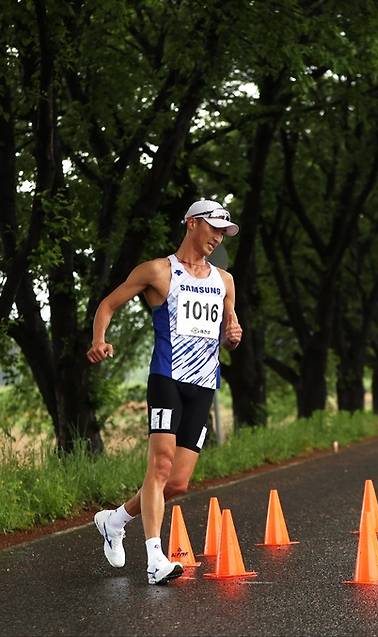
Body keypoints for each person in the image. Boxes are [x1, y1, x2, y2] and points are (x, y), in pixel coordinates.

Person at [86, 199, 242, 585]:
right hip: (167, 379)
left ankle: (115, 520)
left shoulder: (225, 281)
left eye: (224, 231)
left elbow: (229, 330)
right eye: (214, 227)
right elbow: (108, 304)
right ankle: (155, 559)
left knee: (178, 482)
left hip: (204, 385)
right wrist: (99, 339)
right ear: (191, 223)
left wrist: (233, 336)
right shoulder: (158, 271)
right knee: (159, 466)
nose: (218, 237)